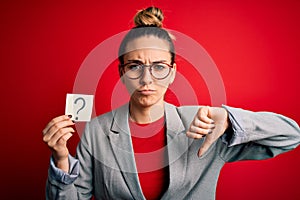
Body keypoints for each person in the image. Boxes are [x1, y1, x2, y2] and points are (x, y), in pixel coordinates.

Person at [42, 6, 300, 200]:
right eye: (135, 66)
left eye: (159, 67)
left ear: (173, 72)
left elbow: (291, 135)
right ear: (122, 72)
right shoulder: (98, 131)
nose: (146, 79)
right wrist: (62, 158)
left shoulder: (205, 124)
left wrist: (230, 119)